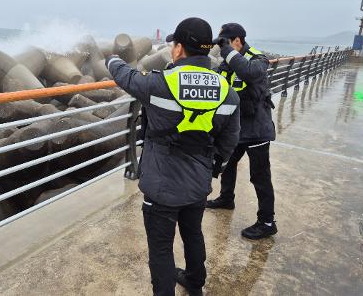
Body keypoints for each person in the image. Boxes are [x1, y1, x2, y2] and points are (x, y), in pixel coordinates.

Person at [105, 17, 240, 296]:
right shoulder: (227, 92)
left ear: (178, 49)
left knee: (162, 249)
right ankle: (195, 283)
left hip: (161, 185)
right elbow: (230, 140)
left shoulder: (160, 83)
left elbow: (125, 76)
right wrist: (214, 168)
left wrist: (111, 60)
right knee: (193, 234)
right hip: (198, 181)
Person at [206, 23, 278, 240]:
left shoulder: (257, 58)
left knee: (260, 176)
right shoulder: (228, 62)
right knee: (226, 165)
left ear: (237, 40)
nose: (222, 48)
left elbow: (249, 73)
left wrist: (228, 51)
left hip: (257, 128)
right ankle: (226, 199)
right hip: (236, 127)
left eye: (226, 43)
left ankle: (267, 221)